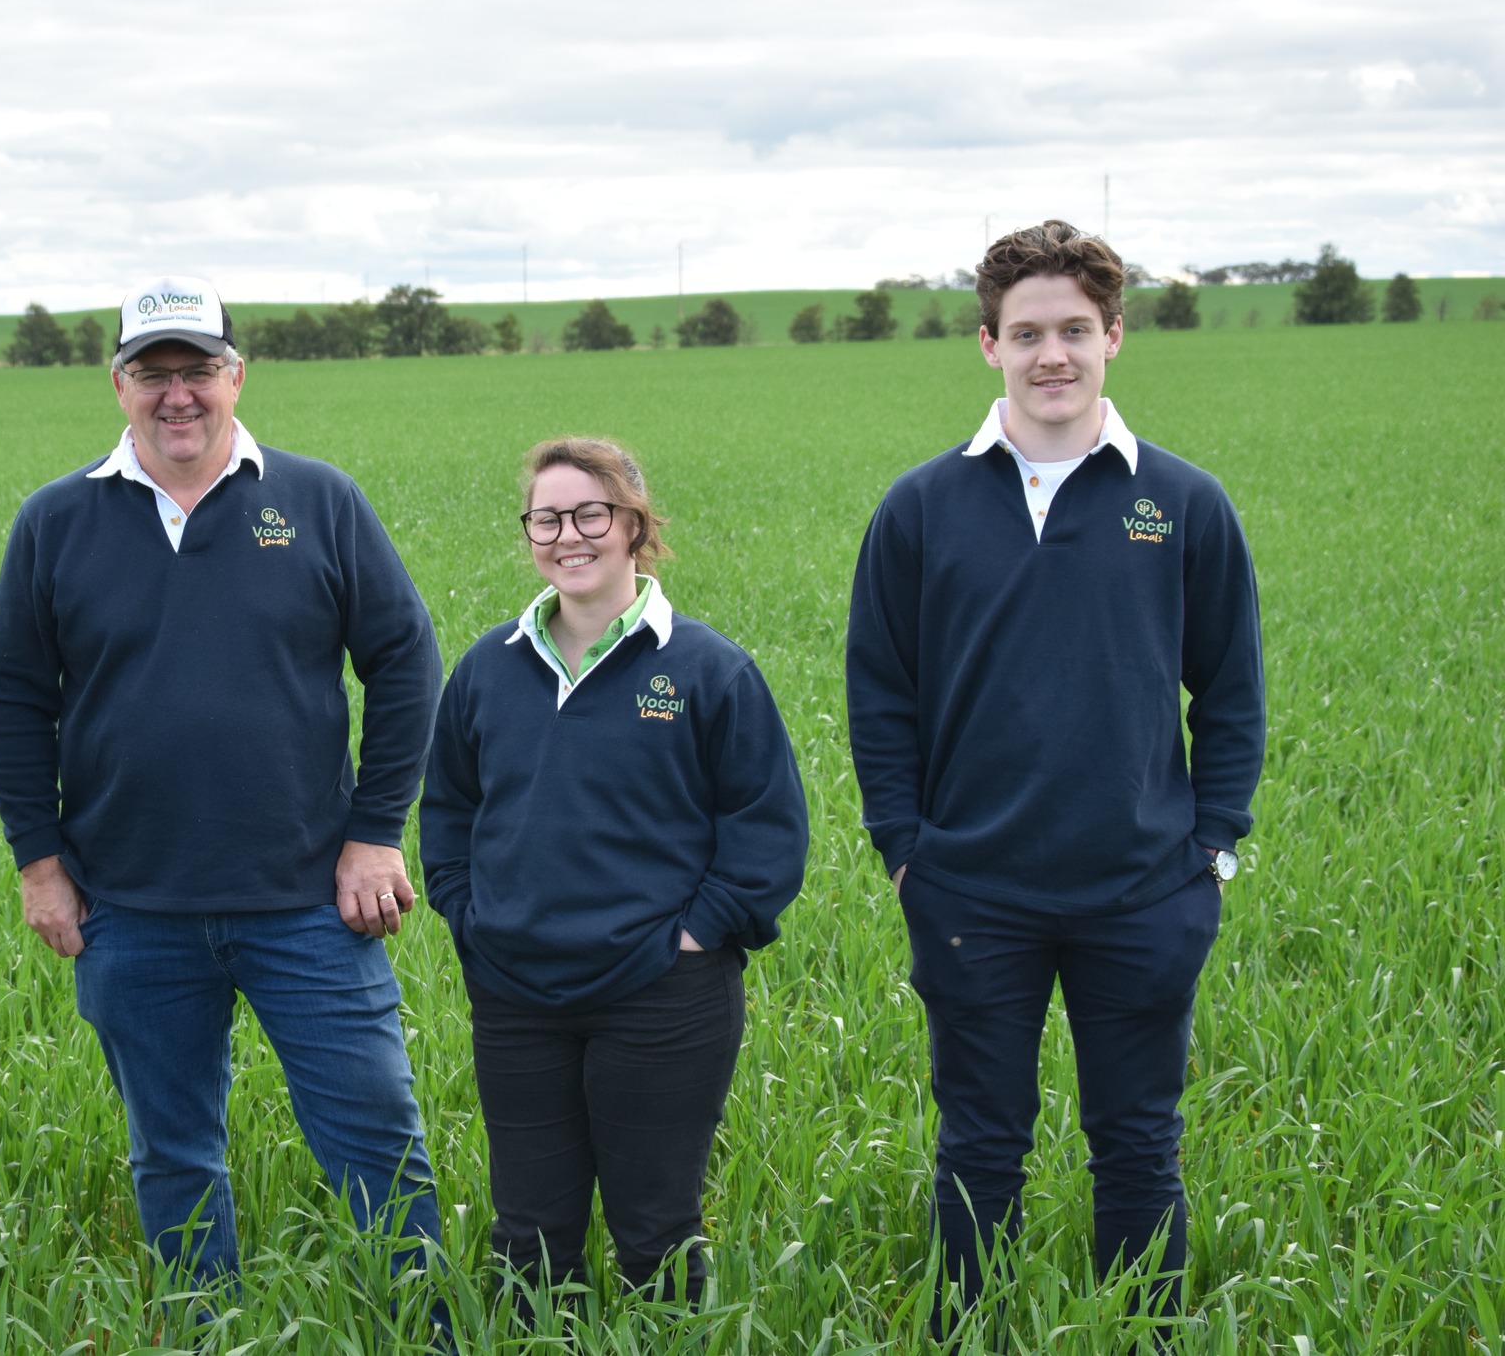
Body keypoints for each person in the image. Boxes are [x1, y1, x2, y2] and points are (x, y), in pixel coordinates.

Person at [0, 276, 445, 1290]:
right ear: (118, 384)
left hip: (310, 903)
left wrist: (374, 832)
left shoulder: (317, 500)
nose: (176, 394)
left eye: (197, 370)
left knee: (376, 1141)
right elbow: (10, 698)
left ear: (237, 375)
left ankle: (426, 1326)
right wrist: (39, 863)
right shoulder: (57, 520)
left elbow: (405, 660)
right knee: (173, 1154)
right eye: (153, 373)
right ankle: (203, 1327)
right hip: (130, 908)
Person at [845, 220, 1266, 1331]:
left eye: (1074, 330)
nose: (1052, 356)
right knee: (979, 1147)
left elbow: (1230, 691)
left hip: (1144, 893)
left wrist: (1212, 852)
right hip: (970, 895)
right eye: (1026, 333)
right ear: (987, 344)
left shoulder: (1181, 503)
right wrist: (906, 855)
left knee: (1138, 1145)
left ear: (1113, 336)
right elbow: (879, 696)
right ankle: (967, 1336)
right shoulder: (920, 508)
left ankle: (1146, 1338)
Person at [420, 437, 809, 1310]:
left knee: (657, 1228)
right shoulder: (489, 668)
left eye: (590, 513)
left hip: (662, 995)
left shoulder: (707, 669)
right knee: (527, 1230)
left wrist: (696, 936)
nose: (569, 535)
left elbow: (767, 827)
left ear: (634, 525)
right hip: (515, 994)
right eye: (546, 519)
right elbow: (448, 810)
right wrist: (469, 916)